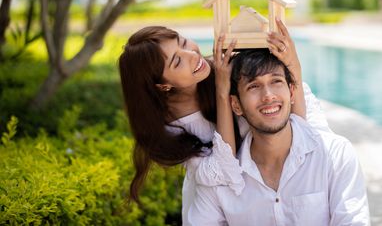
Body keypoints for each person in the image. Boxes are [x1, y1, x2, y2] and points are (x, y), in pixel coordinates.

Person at [118, 20, 330, 223]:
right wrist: (222, 90)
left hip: (268, 176)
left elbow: (293, 125)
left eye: (183, 42)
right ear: (162, 85)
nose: (192, 54)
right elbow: (223, 170)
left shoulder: (224, 67)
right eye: (177, 61)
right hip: (219, 200)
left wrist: (292, 63)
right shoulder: (169, 128)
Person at [187, 49, 370, 226]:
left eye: (276, 81)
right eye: (254, 86)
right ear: (236, 105)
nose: (268, 96)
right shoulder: (220, 182)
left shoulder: (335, 154)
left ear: (291, 92)